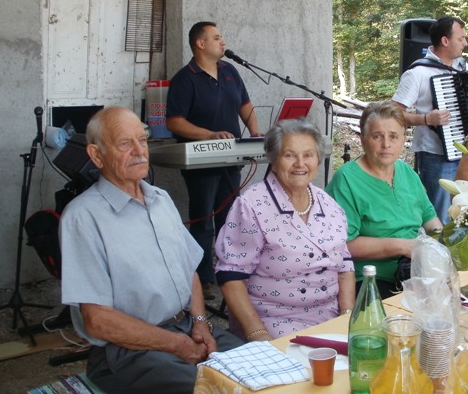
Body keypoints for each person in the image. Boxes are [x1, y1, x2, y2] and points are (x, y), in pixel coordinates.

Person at [60, 107, 244, 394]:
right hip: (126, 351)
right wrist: (176, 345)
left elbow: (190, 270)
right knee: (215, 389)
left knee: (265, 368)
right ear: (97, 155)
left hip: (185, 329)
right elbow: (97, 321)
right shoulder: (83, 217)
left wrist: (200, 322)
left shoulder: (161, 199)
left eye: (142, 140)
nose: (139, 151)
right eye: (124, 143)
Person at [214, 119, 355, 340]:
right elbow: (231, 275)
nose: (300, 163)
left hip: (330, 316)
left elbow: (345, 265)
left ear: (318, 158)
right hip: (274, 321)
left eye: (308, 155)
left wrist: (347, 318)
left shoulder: (328, 204)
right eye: (289, 155)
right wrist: (258, 334)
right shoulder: (252, 204)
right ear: (274, 159)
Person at [166, 21, 262, 299]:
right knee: (204, 219)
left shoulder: (229, 71)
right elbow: (174, 122)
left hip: (231, 157)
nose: (223, 42)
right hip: (201, 162)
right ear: (200, 43)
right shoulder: (185, 78)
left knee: (230, 217)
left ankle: (231, 271)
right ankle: (203, 278)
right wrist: (208, 135)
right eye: (217, 37)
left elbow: (245, 103)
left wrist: (254, 129)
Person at [326, 101, 443, 299]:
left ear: (403, 139)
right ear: (363, 139)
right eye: (377, 136)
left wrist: (445, 246)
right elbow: (344, 245)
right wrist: (403, 246)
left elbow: (432, 223)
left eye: (393, 136)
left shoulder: (406, 172)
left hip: (417, 273)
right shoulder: (347, 179)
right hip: (370, 280)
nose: (386, 144)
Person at [392, 15, 468, 223]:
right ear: (445, 41)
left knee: (463, 212)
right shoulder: (418, 73)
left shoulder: (464, 69)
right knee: (440, 214)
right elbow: (393, 114)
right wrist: (426, 119)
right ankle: (436, 254)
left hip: (465, 152)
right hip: (436, 155)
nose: (465, 43)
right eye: (461, 39)